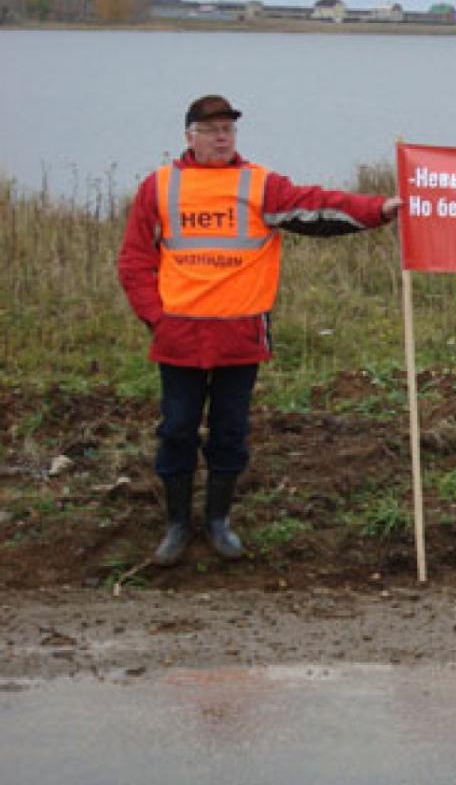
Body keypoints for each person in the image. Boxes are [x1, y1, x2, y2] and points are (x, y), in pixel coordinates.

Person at [117, 94, 402, 567]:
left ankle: (217, 523)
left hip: (240, 337)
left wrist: (378, 208)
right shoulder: (159, 186)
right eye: (211, 129)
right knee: (177, 430)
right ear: (189, 137)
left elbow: (317, 208)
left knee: (230, 432)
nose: (222, 136)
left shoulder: (260, 184)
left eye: (228, 128)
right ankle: (176, 525)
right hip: (179, 338)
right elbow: (134, 261)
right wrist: (157, 318)